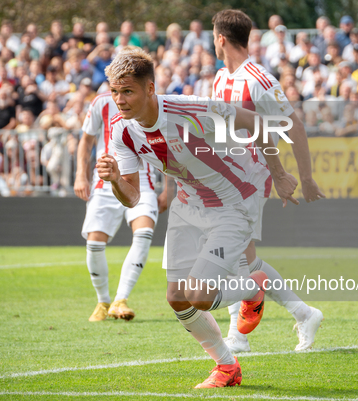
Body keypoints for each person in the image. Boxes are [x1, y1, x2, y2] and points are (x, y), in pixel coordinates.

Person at [99, 47, 300, 388]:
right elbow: (132, 198)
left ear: (150, 89)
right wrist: (117, 179)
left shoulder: (190, 108)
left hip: (234, 200)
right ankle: (227, 366)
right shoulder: (122, 130)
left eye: (128, 91)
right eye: (115, 91)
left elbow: (256, 124)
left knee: (199, 295)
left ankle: (254, 286)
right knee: (177, 297)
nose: (119, 100)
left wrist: (279, 173)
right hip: (188, 202)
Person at [210, 9, 325, 353]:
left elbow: (295, 126)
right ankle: (303, 313)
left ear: (221, 39)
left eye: (213, 39)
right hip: (225, 176)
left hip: (250, 176)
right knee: (242, 258)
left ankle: (239, 336)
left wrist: (302, 177)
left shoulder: (259, 79)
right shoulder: (219, 79)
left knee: (228, 251)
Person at [74, 93, 162, 322]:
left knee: (143, 233)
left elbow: (165, 143)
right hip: (105, 181)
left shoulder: (152, 99)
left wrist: (170, 188)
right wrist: (80, 176)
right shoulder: (101, 102)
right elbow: (86, 139)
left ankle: (120, 300)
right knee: (94, 243)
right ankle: (102, 301)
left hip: (143, 178)